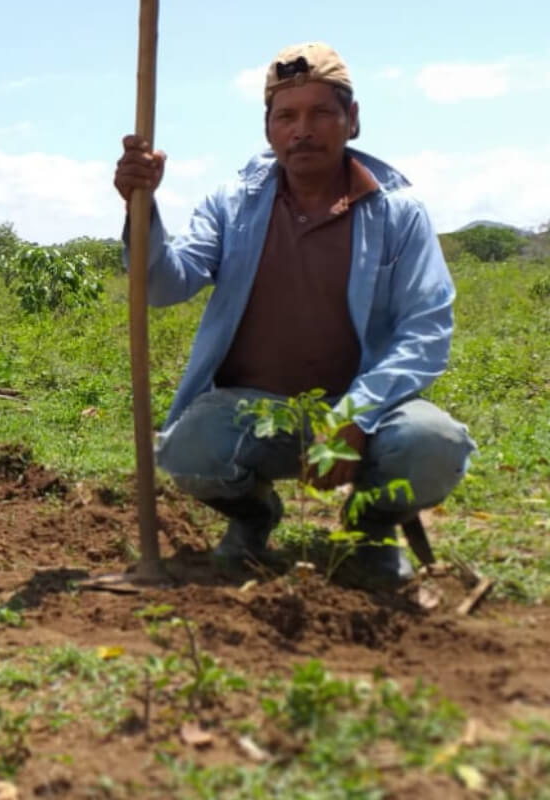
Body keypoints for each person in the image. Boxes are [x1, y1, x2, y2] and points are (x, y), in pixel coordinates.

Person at [113, 42, 476, 588]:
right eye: (286, 116)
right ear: (268, 130)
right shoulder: (231, 204)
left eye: (320, 113)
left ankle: (370, 528)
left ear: (351, 120)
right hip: (253, 411)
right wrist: (141, 206)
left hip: (365, 414)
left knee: (432, 445)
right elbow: (165, 285)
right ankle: (254, 517)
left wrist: (354, 415)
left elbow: (426, 330)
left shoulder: (398, 213)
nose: (302, 129)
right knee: (190, 451)